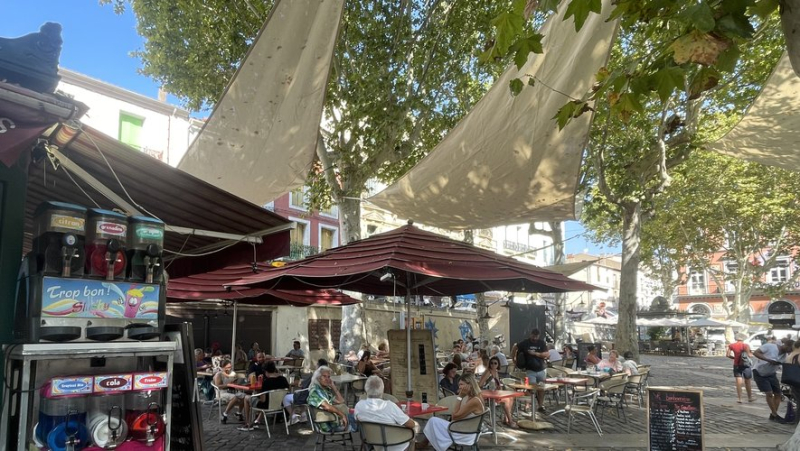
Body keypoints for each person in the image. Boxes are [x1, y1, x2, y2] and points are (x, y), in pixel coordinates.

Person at [419, 374, 485, 451]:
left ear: (470, 384)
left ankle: (429, 445)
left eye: (461, 384)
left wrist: (460, 397)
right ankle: (427, 444)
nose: (459, 387)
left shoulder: (474, 400)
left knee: (433, 421)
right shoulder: (475, 396)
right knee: (433, 421)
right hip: (467, 428)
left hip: (465, 433)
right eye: (459, 385)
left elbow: (454, 416)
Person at [354, 376, 416, 451]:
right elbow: (411, 424)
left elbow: (357, 420)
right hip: (396, 443)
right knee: (413, 431)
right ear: (382, 390)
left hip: (373, 442)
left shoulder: (359, 405)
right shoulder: (389, 406)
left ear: (366, 389)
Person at [238, 361, 291, 431]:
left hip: (267, 405)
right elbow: (288, 390)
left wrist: (257, 395)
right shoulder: (283, 379)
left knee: (246, 397)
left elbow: (263, 400)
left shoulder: (266, 382)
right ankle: (257, 421)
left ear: (266, 371)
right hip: (279, 404)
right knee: (267, 399)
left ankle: (248, 423)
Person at [307, 366, 357, 432]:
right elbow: (327, 407)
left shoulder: (325, 390)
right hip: (329, 424)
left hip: (336, 420)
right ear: (318, 378)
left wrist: (333, 386)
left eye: (328, 377)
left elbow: (341, 401)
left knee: (361, 419)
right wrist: (342, 414)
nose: (327, 379)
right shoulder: (315, 391)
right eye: (324, 376)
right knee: (362, 422)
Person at [753, 336, 786, 423]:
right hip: (759, 372)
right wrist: (768, 360)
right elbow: (756, 353)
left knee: (778, 394)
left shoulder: (785, 355)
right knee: (769, 393)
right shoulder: (770, 346)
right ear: (785, 345)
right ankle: (775, 414)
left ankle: (773, 414)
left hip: (771, 374)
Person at [516, 329, 548, 412]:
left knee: (541, 389)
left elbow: (547, 354)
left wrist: (536, 354)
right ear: (530, 334)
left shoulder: (541, 343)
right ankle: (528, 405)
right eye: (533, 336)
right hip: (530, 370)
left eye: (536, 336)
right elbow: (515, 347)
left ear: (539, 336)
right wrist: (514, 359)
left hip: (541, 369)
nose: (535, 338)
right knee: (530, 388)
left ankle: (540, 405)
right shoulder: (525, 343)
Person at [479, 356, 516, 428]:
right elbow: (480, 384)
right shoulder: (488, 372)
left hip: (494, 392)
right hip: (487, 394)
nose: (493, 365)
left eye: (495, 363)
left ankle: (506, 418)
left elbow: (498, 384)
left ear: (498, 364)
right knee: (506, 400)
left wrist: (500, 389)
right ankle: (510, 421)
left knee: (511, 397)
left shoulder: (496, 372)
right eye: (491, 363)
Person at [727, 332, 755, 404]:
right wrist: (752, 354)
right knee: (747, 381)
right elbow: (749, 355)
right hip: (746, 365)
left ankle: (739, 398)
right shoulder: (745, 345)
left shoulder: (731, 345)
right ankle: (750, 397)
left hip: (736, 364)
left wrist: (734, 358)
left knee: (738, 382)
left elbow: (727, 355)